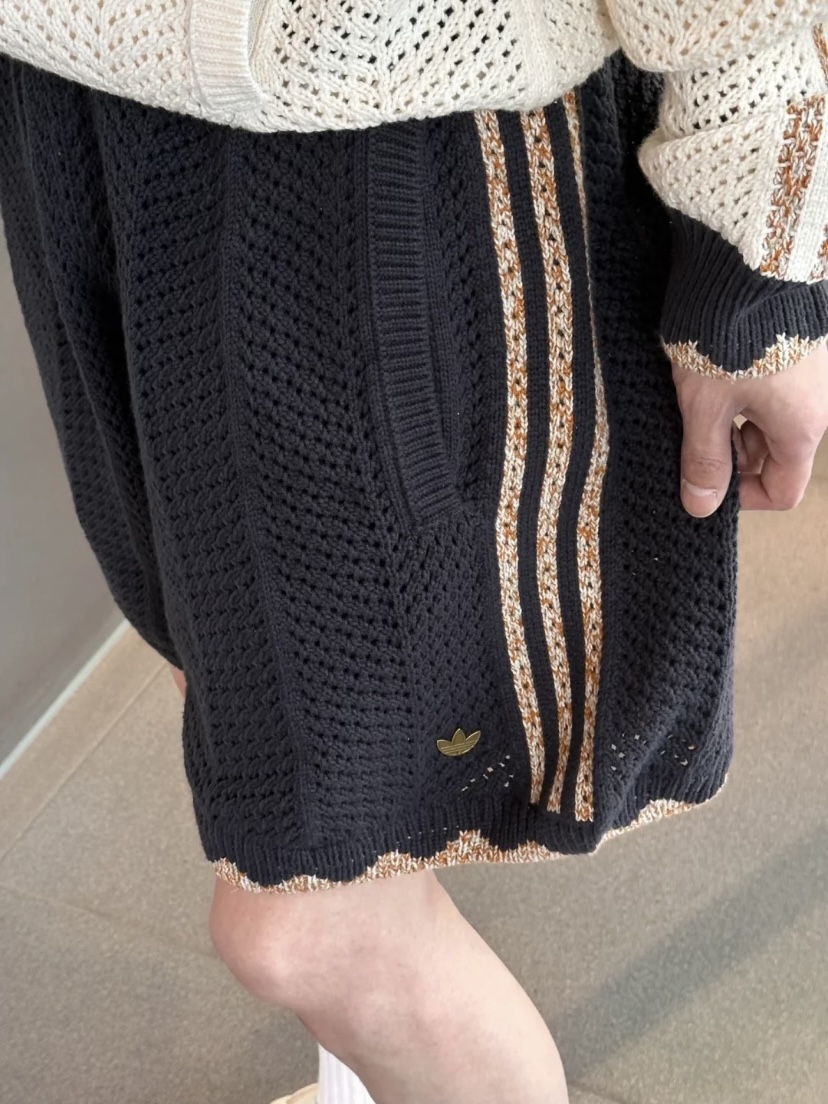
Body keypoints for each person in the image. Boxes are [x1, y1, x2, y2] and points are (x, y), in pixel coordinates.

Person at [1, 4, 827, 1103]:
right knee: (224, 687)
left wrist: (760, 243)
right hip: (81, 109)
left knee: (311, 919)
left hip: (391, 139)